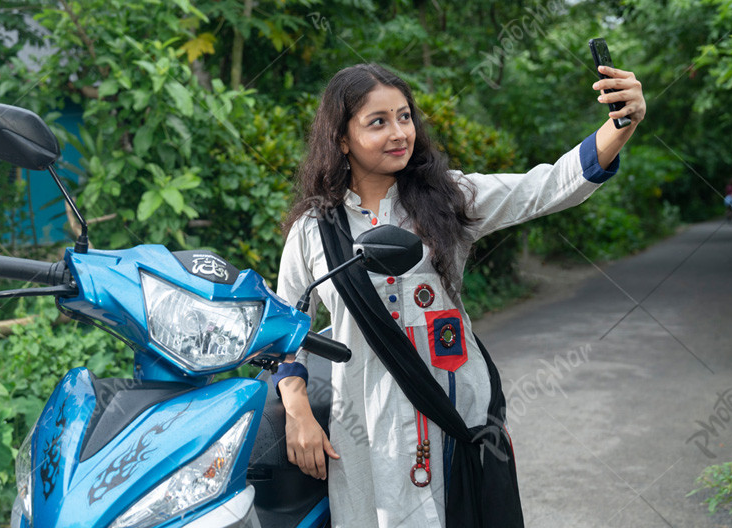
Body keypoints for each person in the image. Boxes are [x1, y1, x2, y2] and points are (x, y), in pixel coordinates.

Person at [273, 63, 647, 528]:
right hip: (365, 429)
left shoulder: (448, 198)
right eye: (378, 121)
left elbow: (547, 186)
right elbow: (283, 330)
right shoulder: (313, 231)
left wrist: (621, 124)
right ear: (341, 139)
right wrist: (297, 412)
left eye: (404, 116)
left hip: (458, 416)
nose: (399, 133)